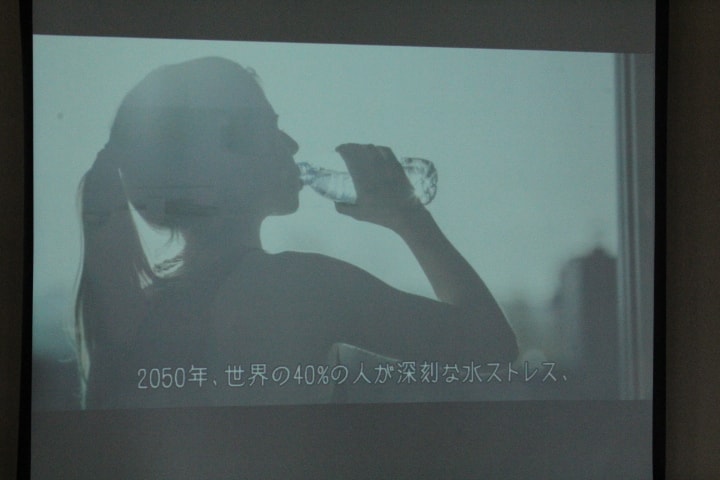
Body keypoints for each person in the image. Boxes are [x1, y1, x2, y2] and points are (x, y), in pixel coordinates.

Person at [75, 57, 517, 409]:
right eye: (268, 128)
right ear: (217, 161)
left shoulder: (144, 315)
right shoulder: (292, 287)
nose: (291, 144)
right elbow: (491, 346)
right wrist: (408, 217)